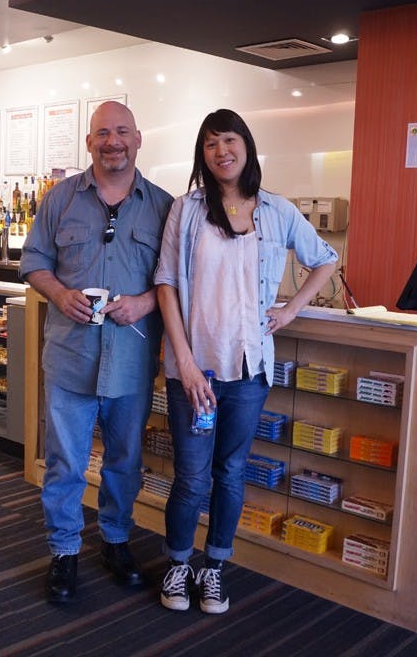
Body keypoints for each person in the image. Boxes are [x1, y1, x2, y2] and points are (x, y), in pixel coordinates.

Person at [153, 109, 337, 614]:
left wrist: (291, 310)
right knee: (191, 476)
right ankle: (177, 565)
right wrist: (184, 362)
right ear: (202, 154)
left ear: (247, 146)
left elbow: (325, 258)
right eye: (210, 144)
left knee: (231, 474)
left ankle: (213, 569)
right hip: (195, 372)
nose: (221, 152)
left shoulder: (276, 211)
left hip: (250, 371)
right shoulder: (186, 210)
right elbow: (165, 283)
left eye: (229, 140)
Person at [20, 101, 173, 603]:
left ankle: (114, 541)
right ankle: (63, 552)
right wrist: (59, 294)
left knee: (125, 462)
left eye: (122, 132)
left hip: (131, 361)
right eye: (103, 133)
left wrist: (147, 300)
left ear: (138, 139)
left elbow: (177, 281)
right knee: (65, 462)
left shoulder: (164, 207)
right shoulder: (60, 199)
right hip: (70, 357)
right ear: (89, 142)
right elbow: (34, 261)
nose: (113, 141)